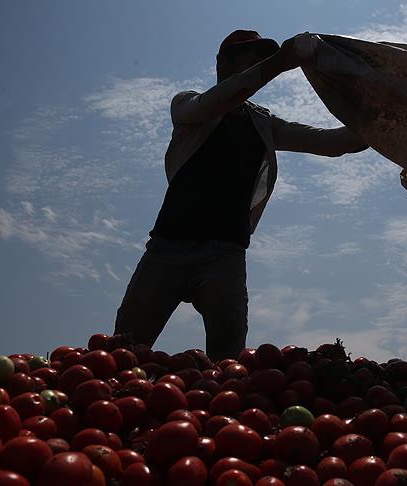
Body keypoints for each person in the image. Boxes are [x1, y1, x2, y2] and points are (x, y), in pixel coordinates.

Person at [113, 30, 367, 362]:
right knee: (123, 351)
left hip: (226, 255)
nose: (254, 69)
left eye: (259, 62)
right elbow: (223, 97)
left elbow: (332, 143)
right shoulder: (187, 104)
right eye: (248, 61)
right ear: (223, 63)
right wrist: (279, 63)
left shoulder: (262, 122)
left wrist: (388, 125)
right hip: (167, 247)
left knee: (229, 361)